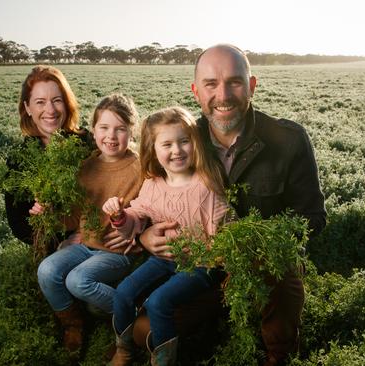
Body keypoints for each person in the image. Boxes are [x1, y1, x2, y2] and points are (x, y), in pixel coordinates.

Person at [135, 44, 327, 365]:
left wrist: (256, 243)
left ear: (251, 85)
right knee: (145, 332)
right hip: (201, 265)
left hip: (264, 267)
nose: (222, 95)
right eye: (211, 84)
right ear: (196, 91)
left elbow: (313, 218)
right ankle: (215, 322)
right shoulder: (184, 140)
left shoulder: (288, 139)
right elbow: (149, 190)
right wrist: (144, 234)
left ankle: (277, 350)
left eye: (234, 82)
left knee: (278, 277)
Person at [102, 106, 230, 366]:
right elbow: (135, 220)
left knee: (159, 301)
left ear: (195, 143)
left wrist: (215, 256)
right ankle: (124, 350)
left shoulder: (206, 184)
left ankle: (162, 360)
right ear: (154, 149)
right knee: (123, 292)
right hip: (164, 259)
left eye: (184, 141)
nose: (177, 150)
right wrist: (120, 217)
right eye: (167, 144)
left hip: (200, 264)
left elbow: (224, 227)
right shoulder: (152, 185)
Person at [33, 94, 143, 357]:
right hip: (87, 244)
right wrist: (47, 212)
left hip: (119, 251)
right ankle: (74, 325)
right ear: (93, 130)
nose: (111, 136)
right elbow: (75, 217)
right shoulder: (87, 166)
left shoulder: (141, 166)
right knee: (47, 270)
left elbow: (152, 208)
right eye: (104, 128)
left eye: (120, 129)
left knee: (78, 280)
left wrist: (139, 231)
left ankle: (134, 319)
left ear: (132, 131)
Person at [5, 65, 92, 247]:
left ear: (67, 104)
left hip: (98, 238)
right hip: (54, 248)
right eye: (40, 102)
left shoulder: (89, 143)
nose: (50, 110)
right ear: (27, 107)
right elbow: (18, 225)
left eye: (57, 100)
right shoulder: (20, 160)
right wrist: (54, 236)